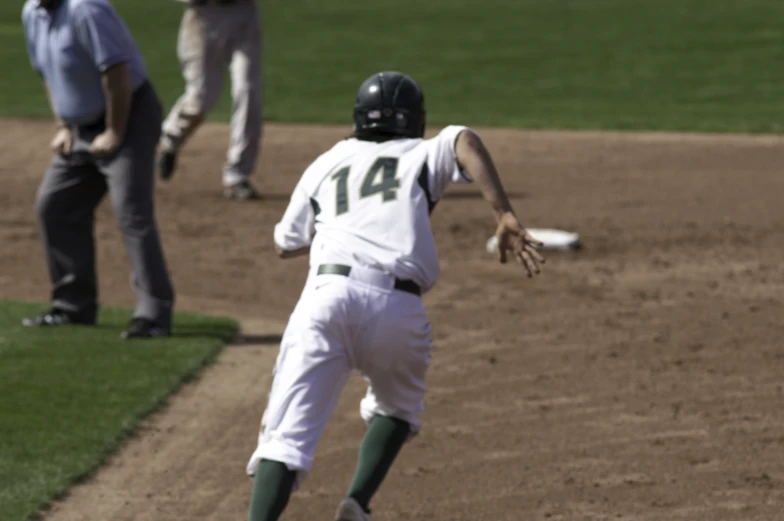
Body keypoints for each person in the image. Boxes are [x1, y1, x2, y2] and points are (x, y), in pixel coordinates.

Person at [244, 71, 545, 521]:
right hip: (397, 309)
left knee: (285, 439)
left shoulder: (325, 162)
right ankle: (356, 503)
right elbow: (464, 139)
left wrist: (343, 227)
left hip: (326, 298)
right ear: (415, 121)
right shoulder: (421, 153)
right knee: (398, 408)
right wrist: (503, 213)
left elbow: (285, 244)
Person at [21, 0, 175, 339]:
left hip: (128, 116)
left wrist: (115, 131)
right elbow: (49, 72)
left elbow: (117, 72)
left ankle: (154, 315)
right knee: (56, 207)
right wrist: (64, 125)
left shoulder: (86, 9)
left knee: (131, 214)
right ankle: (73, 307)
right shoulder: (32, 12)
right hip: (79, 130)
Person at [157, 0, 263, 200]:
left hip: (243, 13)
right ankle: (169, 140)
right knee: (200, 98)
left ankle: (237, 175)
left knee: (247, 90)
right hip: (202, 15)